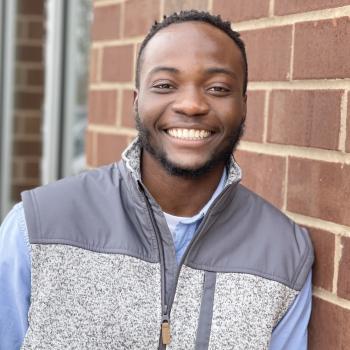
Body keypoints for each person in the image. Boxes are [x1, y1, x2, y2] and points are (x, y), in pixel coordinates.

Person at [0, 10, 313, 350]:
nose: (192, 104)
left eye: (218, 88)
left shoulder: (285, 252)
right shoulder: (37, 225)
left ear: (243, 106)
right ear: (137, 102)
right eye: (164, 85)